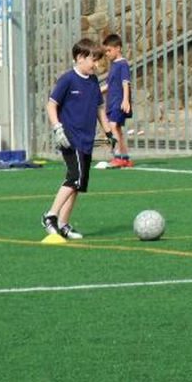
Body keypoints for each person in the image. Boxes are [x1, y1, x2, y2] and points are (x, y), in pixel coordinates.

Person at [42, 38, 112, 239]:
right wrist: (57, 128)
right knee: (74, 177)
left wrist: (108, 132)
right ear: (80, 58)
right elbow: (51, 105)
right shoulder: (67, 79)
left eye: (98, 61)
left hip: (86, 140)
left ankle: (63, 224)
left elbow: (99, 108)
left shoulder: (92, 81)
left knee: (78, 184)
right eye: (93, 60)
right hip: (69, 137)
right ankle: (51, 216)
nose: (97, 65)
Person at [101, 33, 133, 167]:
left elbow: (126, 82)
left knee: (113, 126)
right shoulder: (113, 65)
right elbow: (108, 85)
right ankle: (125, 157)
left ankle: (118, 156)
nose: (107, 53)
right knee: (117, 129)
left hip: (119, 102)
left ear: (118, 48)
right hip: (112, 102)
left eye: (109, 50)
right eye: (106, 51)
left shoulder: (123, 64)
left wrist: (125, 100)